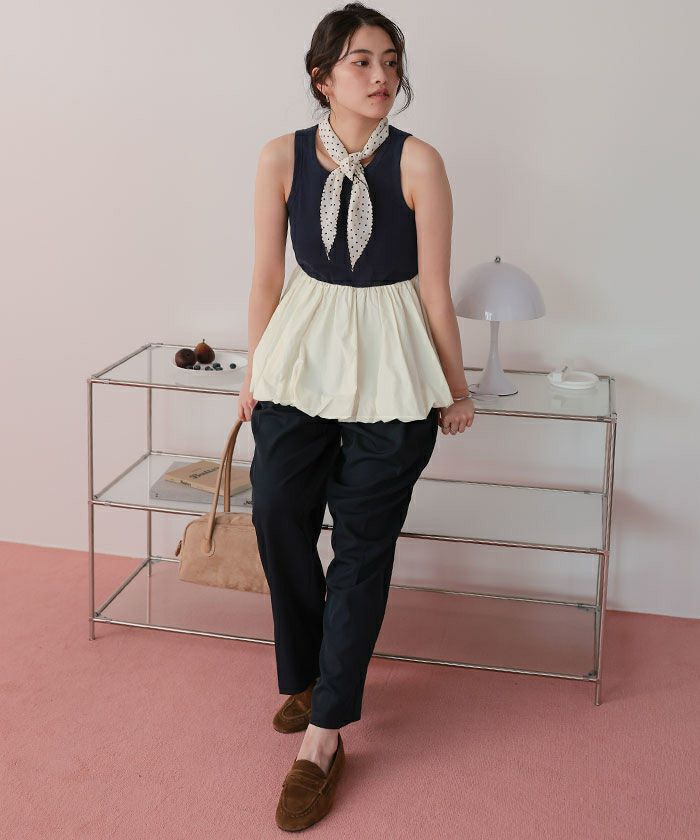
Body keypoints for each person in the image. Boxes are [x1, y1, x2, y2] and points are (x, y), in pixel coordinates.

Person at [237, 3, 475, 830]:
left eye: (391, 61)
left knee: (363, 546)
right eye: (362, 61)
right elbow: (266, 278)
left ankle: (325, 735)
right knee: (276, 510)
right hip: (301, 359)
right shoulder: (280, 156)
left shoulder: (420, 161)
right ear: (323, 77)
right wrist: (255, 373)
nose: (382, 77)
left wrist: (455, 388)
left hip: (395, 368)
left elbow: (436, 289)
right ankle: (309, 677)